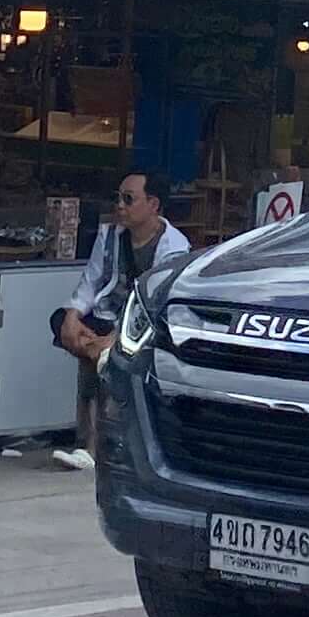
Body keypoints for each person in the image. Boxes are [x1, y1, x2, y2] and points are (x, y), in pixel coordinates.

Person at [50, 170, 190, 474]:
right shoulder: (109, 235)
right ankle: (92, 441)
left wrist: (114, 338)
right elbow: (90, 283)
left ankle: (92, 445)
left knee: (105, 359)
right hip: (105, 317)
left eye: (129, 199)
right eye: (118, 198)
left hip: (144, 327)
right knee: (62, 322)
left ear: (153, 204)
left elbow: (155, 306)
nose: (120, 206)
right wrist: (73, 316)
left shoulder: (174, 245)